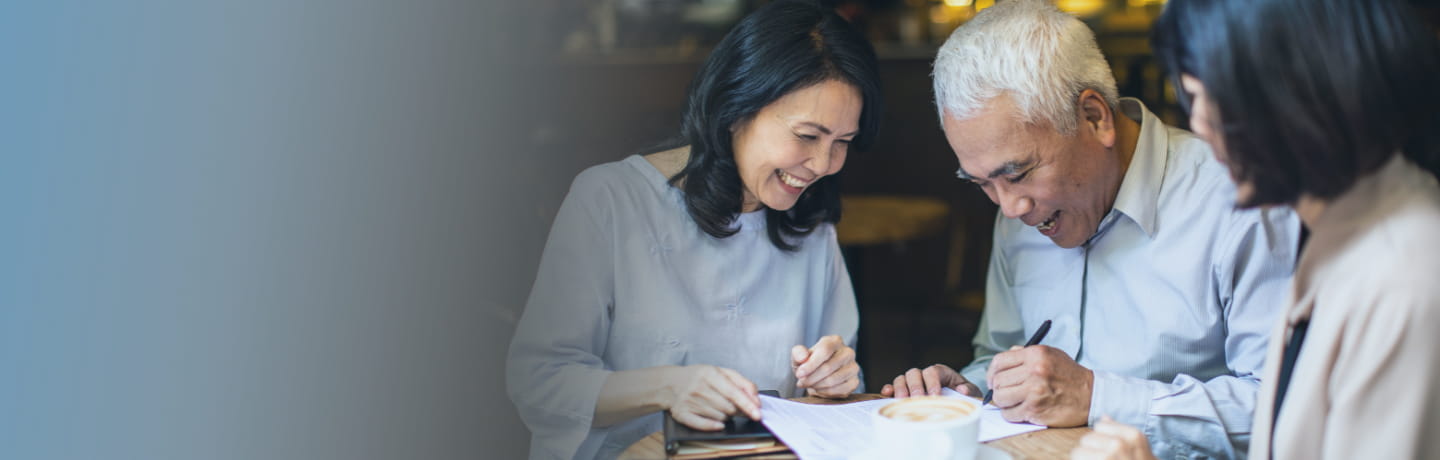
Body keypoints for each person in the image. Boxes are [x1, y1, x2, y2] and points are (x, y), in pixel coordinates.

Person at [878, 0, 1300, 457]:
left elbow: (1283, 408)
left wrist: (1095, 397)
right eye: (982, 183)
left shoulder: (1240, 202)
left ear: (1095, 117)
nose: (1010, 208)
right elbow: (998, 354)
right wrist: (969, 390)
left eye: (1018, 173)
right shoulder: (1018, 212)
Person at [505, 1, 883, 458]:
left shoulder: (810, 227)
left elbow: (839, 399)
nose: (823, 165)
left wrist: (837, 380)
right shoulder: (611, 200)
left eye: (841, 142)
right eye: (807, 136)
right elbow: (540, 382)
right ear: (734, 108)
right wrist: (667, 387)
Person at [1072, 0, 1440, 458]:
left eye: (1200, 92)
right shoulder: (1339, 231)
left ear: (1294, 84)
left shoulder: (1402, 278)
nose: (1198, 125)